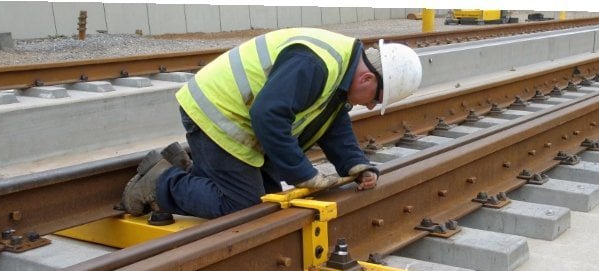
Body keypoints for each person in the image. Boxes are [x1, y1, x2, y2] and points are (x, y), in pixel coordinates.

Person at [121, 27, 422, 219]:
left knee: (269, 198)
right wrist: (304, 174)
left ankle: (192, 170)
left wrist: (355, 164)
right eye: (376, 98)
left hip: (239, 122)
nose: (370, 105)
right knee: (244, 205)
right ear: (368, 77)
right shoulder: (316, 63)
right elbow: (268, 115)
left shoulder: (341, 69)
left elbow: (332, 121)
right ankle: (159, 182)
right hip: (216, 114)